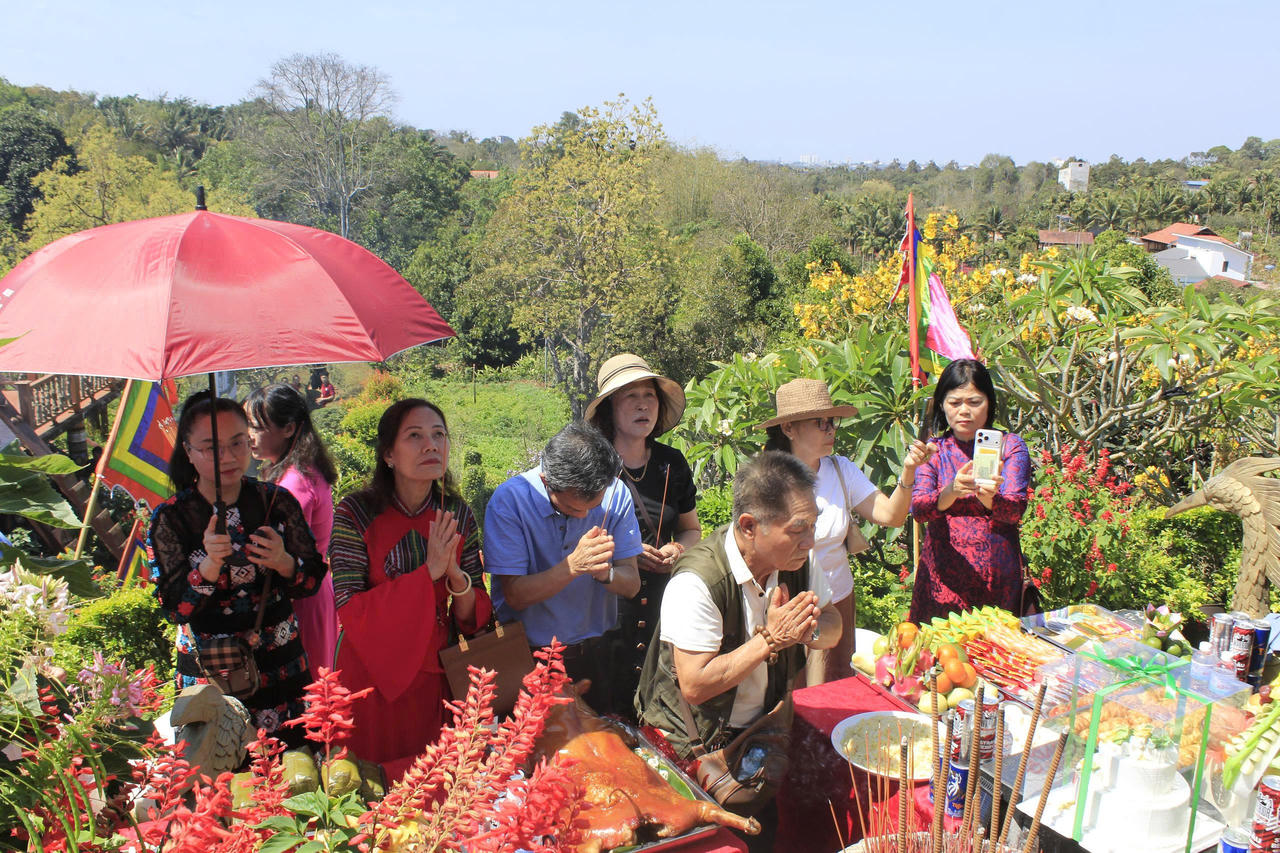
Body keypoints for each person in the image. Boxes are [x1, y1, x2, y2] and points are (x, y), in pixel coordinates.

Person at [635, 449, 840, 760]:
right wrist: (771, 639)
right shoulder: (697, 581)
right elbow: (694, 684)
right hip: (693, 744)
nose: (810, 541)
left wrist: (804, 631)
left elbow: (833, 625)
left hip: (761, 730)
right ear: (749, 527)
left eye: (813, 525)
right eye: (798, 529)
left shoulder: (799, 561)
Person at [148, 392, 326, 742]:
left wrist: (285, 563)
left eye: (237, 442)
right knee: (217, 781)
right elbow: (174, 608)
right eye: (211, 448)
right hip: (210, 678)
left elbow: (312, 581)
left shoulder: (275, 502)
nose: (227, 457)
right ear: (188, 451)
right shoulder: (171, 519)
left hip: (281, 668)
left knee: (294, 774)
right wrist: (209, 567)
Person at [328, 399, 492, 779]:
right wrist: (427, 574)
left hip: (434, 678)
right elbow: (350, 609)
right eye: (415, 436)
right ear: (388, 454)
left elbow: (473, 617)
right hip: (371, 678)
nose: (431, 445)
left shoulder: (457, 512)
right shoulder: (355, 513)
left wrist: (454, 577)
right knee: (371, 793)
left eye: (439, 435)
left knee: (432, 787)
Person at [760, 378, 935, 684]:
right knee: (786, 699)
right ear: (788, 428)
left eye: (832, 421)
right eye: (819, 422)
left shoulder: (841, 469)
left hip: (837, 602)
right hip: (786, 606)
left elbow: (890, 515)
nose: (830, 430)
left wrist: (908, 472)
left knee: (833, 691)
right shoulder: (767, 480)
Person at [484, 421, 642, 714]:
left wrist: (604, 573)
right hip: (531, 656)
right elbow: (515, 595)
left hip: (596, 651)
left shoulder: (615, 494)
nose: (583, 516)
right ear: (546, 481)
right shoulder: (511, 501)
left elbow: (631, 583)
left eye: (592, 508)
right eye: (570, 509)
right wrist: (574, 565)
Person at [585, 354, 701, 714]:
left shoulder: (672, 463)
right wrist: (627, 556)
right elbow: (572, 535)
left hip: (665, 604)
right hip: (607, 603)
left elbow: (692, 529)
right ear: (609, 409)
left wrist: (678, 549)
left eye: (649, 396)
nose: (642, 405)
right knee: (607, 704)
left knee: (659, 702)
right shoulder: (591, 466)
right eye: (629, 396)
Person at [910, 359, 1031, 623]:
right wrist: (951, 490)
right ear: (942, 405)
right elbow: (918, 510)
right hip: (941, 577)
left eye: (974, 402)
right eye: (955, 403)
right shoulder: (934, 450)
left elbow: (1014, 512)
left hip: (996, 575)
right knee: (939, 657)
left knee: (995, 655)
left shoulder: (1010, 447)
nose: (964, 411)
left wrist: (988, 497)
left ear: (989, 403)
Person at [245, 383, 339, 676]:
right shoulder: (300, 469)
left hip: (300, 600)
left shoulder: (293, 483)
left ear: (288, 428)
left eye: (256, 426)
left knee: (306, 694)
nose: (249, 435)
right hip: (313, 594)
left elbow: (277, 552)